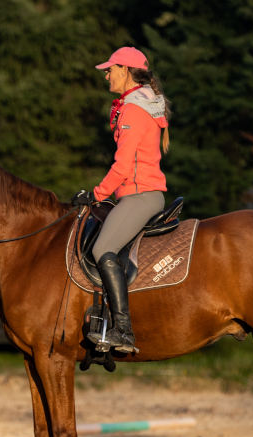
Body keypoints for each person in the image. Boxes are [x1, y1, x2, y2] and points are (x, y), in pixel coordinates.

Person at [81, 46, 171, 354]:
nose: (106, 74)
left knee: (102, 248)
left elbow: (122, 165)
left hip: (140, 196)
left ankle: (123, 331)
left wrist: (96, 194)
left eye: (110, 69)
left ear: (126, 71)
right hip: (138, 194)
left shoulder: (133, 110)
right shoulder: (137, 105)